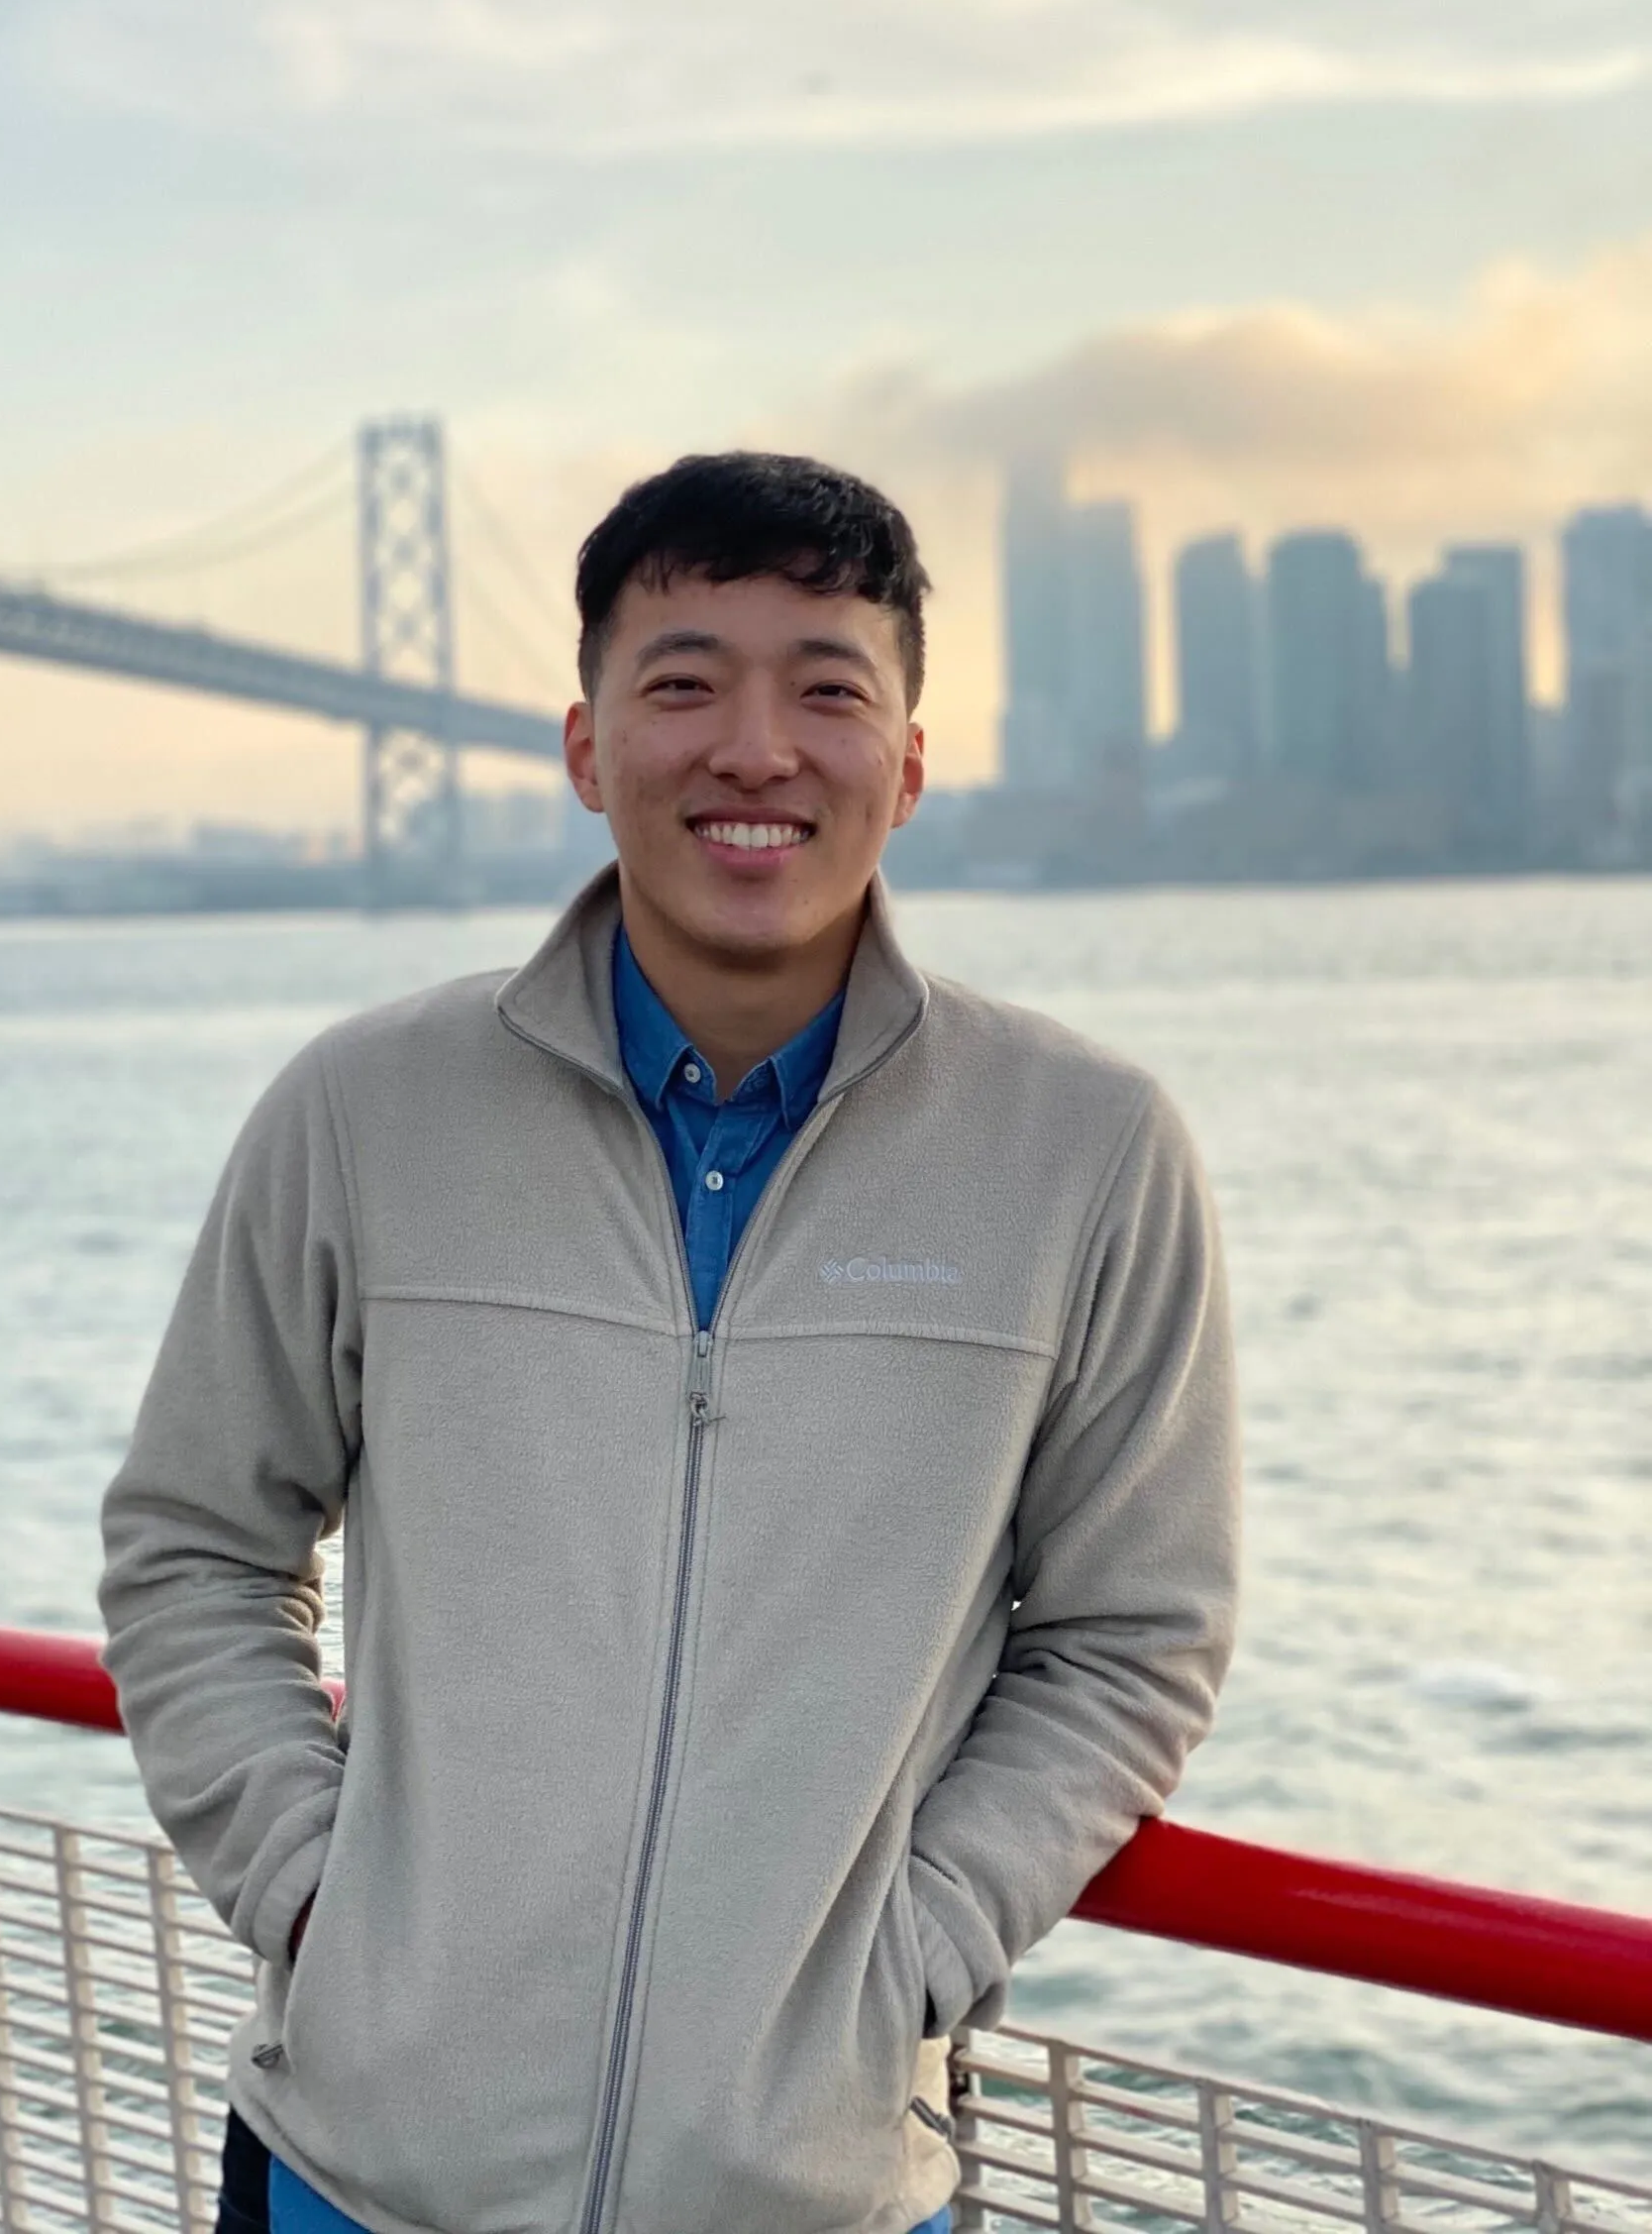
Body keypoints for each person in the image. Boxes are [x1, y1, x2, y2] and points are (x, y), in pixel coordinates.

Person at [99, 451, 1240, 2234]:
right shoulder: (364, 1110)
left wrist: (915, 1953)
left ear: (910, 765)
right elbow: (192, 1545)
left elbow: (1132, 1633)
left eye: (828, 691)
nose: (756, 750)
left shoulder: (1085, 1150)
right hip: (357, 2178)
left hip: (819, 2189)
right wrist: (319, 1900)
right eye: (686, 683)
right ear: (585, 746)